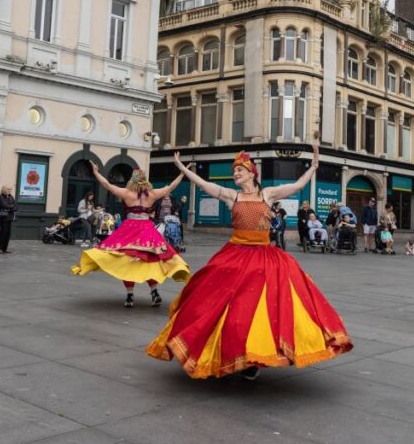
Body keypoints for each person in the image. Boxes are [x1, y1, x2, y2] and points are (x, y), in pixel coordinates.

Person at [147, 144, 353, 380]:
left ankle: (255, 355)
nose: (236, 175)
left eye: (240, 171)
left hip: (264, 255)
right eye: (234, 172)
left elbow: (297, 186)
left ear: (252, 173)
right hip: (236, 253)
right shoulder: (231, 195)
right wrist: (182, 167)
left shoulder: (268, 194)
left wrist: (314, 167)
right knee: (222, 304)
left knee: (266, 307)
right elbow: (203, 185)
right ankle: (229, 351)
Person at [71, 164, 188, 308]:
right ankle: (154, 292)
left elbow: (106, 184)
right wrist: (182, 173)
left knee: (126, 262)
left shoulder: (127, 193)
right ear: (145, 180)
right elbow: (171, 187)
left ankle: (130, 295)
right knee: (150, 261)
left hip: (129, 230)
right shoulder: (152, 194)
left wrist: (95, 171)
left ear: (132, 180)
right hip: (147, 230)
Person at [0, 185, 17, 254]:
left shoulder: (11, 197)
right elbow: (4, 205)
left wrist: (10, 207)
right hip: (3, 217)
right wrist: (11, 207)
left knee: (8, 233)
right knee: (3, 233)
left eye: (10, 189)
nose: (9, 191)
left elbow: (16, 206)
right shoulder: (0, 197)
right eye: (8, 189)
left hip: (10, 217)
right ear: (4, 189)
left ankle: (4, 249)